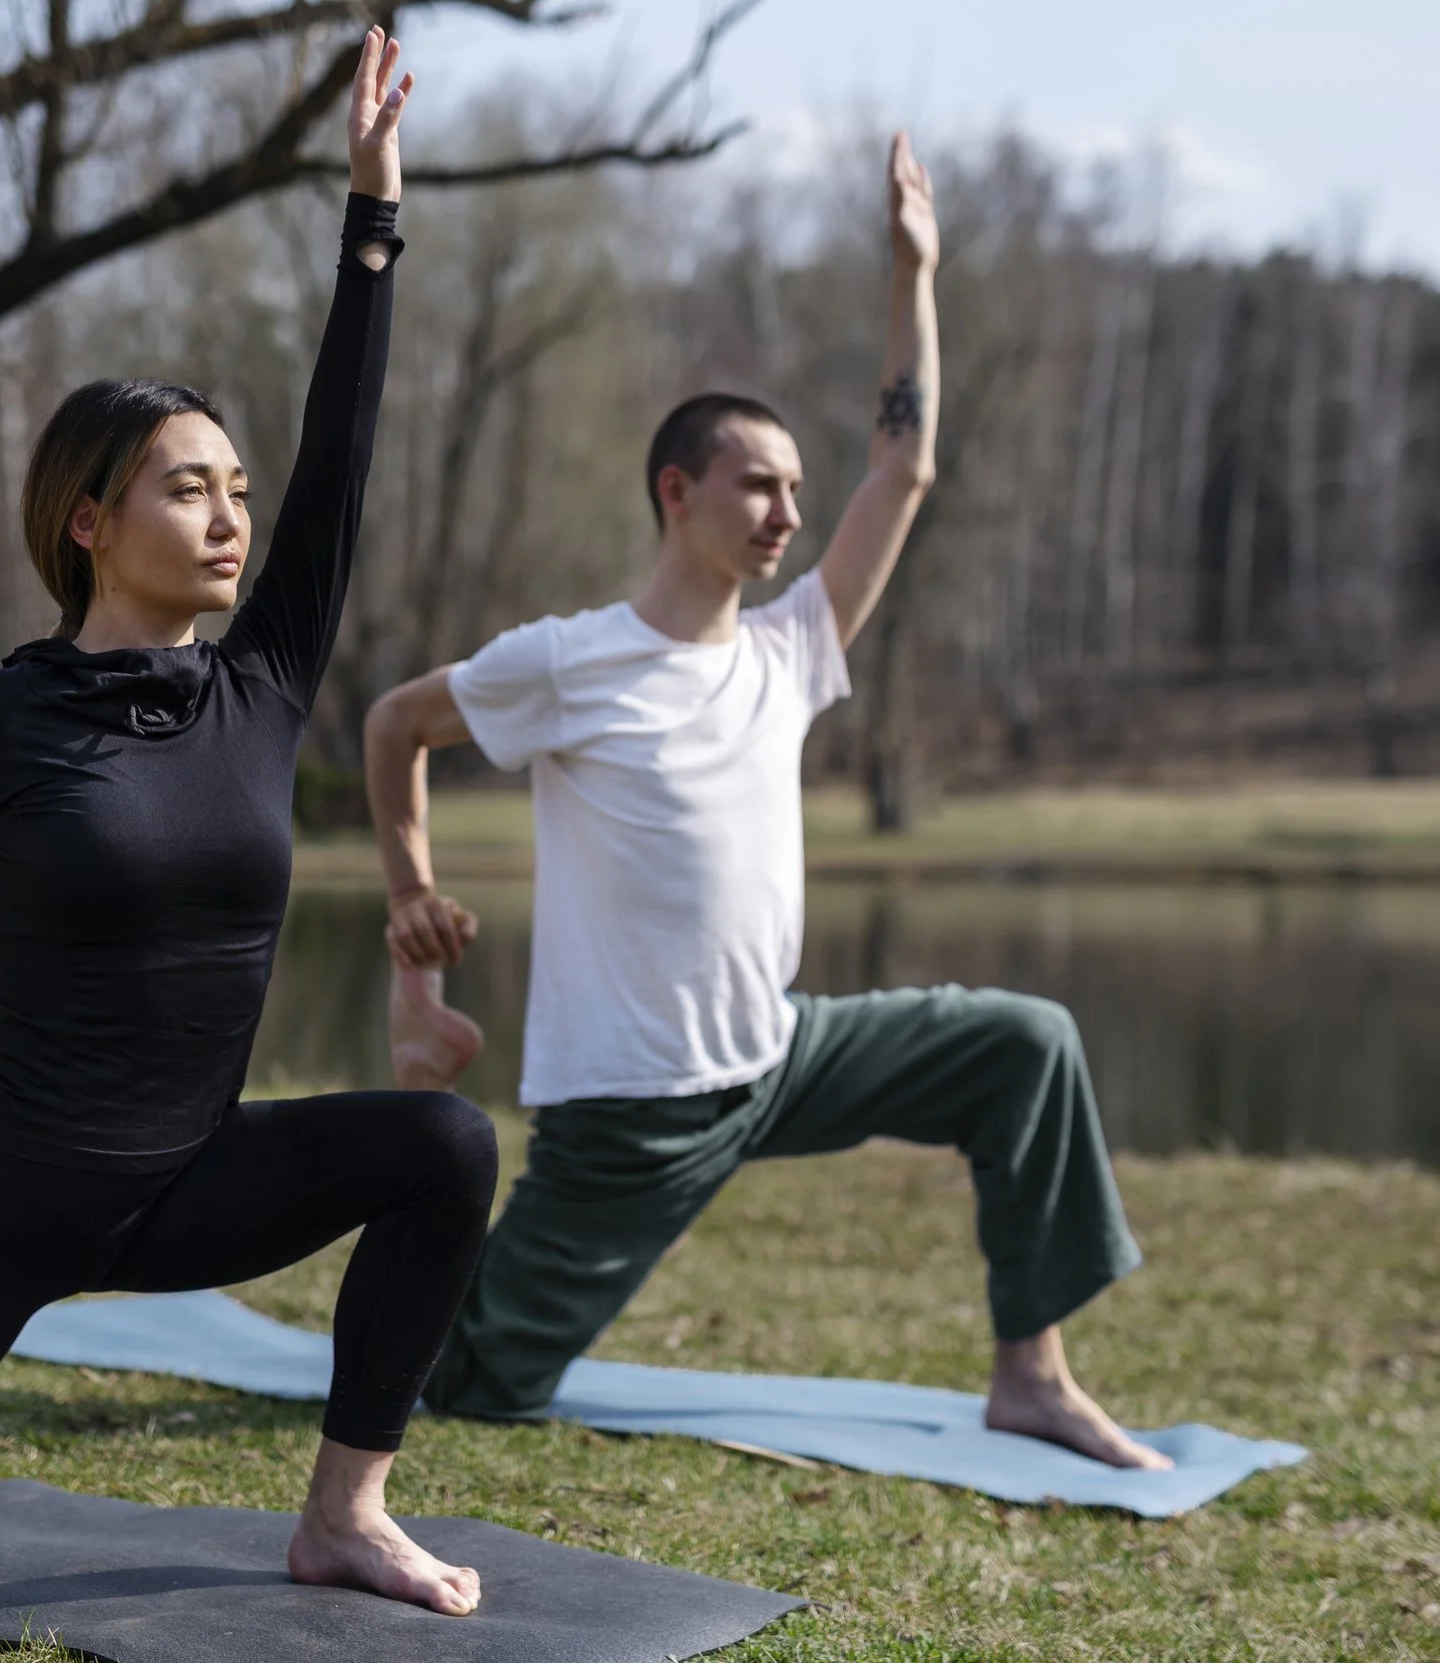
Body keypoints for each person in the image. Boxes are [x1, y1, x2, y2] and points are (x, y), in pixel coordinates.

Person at [0, 32, 499, 1613]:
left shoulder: (263, 685)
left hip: (185, 1178)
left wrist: (372, 217)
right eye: (186, 489)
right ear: (91, 521)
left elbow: (344, 459)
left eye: (234, 488)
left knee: (444, 1145)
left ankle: (347, 1512)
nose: (229, 517)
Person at [363, 133, 1170, 1472]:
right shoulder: (572, 660)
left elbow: (900, 471)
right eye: (761, 484)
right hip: (633, 1105)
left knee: (1025, 1042)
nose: (789, 510)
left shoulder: (792, 647)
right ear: (678, 494)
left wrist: (915, 273)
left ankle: (1032, 1373)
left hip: (782, 1052)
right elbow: (399, 722)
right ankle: (407, 1227)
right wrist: (407, 897)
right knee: (473, 1386)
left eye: (798, 488)